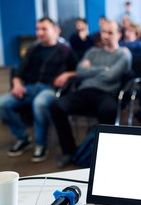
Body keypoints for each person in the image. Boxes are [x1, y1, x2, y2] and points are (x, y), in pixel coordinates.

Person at [50, 20, 132, 168]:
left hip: (107, 93)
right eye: (103, 32)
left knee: (108, 110)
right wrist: (104, 68)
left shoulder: (123, 54)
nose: (105, 36)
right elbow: (80, 72)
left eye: (110, 32)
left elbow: (112, 76)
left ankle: (102, 154)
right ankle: (69, 151)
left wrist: (92, 69)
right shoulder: (92, 52)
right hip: (85, 91)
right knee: (57, 106)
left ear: (119, 35)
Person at [0, 17, 77, 162]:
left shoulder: (65, 50)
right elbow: (18, 72)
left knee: (39, 103)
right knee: (1, 104)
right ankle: (23, 138)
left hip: (50, 89)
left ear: (55, 31)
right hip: (30, 88)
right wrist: (17, 84)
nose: (39, 33)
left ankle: (40, 143)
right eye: (38, 29)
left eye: (44, 29)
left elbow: (78, 70)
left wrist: (67, 74)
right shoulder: (33, 49)